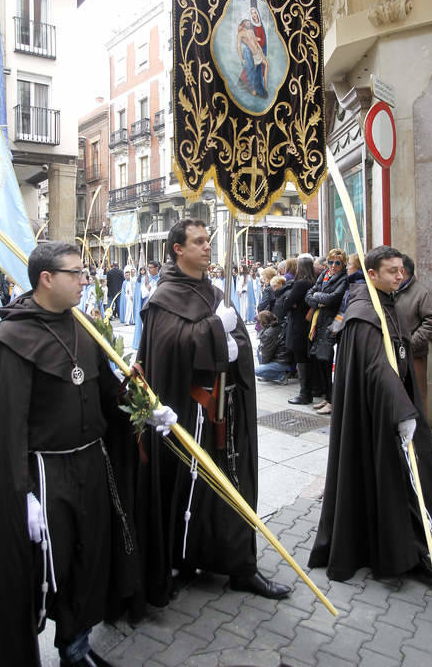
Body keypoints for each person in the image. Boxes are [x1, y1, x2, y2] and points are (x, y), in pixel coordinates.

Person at [0, 241, 152, 667]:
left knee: (86, 557)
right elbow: (5, 430)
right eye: (76, 273)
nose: (84, 280)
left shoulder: (84, 327)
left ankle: (75, 648)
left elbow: (99, 391)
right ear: (47, 278)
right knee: (43, 570)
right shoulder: (10, 340)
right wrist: (20, 492)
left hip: (91, 463)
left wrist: (137, 399)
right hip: (44, 473)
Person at [136, 219, 291, 606]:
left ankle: (240, 565)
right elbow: (167, 350)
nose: (207, 248)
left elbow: (236, 334)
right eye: (199, 242)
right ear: (178, 249)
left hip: (226, 412)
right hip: (189, 413)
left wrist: (233, 342)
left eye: (209, 241)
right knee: (187, 487)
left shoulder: (214, 291)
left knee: (231, 485)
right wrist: (211, 330)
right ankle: (182, 560)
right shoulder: (163, 298)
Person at [308, 246, 432, 582]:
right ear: (373, 274)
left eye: (401, 270)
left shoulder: (383, 301)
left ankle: (421, 542)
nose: (400, 276)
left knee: (406, 476)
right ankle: (415, 553)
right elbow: (377, 366)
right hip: (381, 412)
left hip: (392, 404)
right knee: (396, 478)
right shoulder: (365, 311)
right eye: (392, 271)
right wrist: (401, 410)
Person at [395, 254, 432, 417]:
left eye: (395, 269)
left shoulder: (421, 293)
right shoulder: (391, 289)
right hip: (394, 353)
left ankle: (420, 437)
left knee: (417, 397)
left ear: (403, 270)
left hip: (415, 355)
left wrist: (411, 343)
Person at [305, 249, 348, 415]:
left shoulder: (343, 279)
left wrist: (317, 296)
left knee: (328, 362)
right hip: (320, 322)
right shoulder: (324, 275)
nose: (334, 266)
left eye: (338, 263)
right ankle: (327, 397)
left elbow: (333, 299)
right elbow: (308, 295)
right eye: (331, 262)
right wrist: (319, 297)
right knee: (320, 362)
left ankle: (332, 400)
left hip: (331, 323)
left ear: (343, 264)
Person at [284, 255, 316, 406]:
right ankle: (309, 390)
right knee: (306, 358)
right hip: (308, 325)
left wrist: (291, 303)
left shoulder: (301, 284)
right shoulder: (313, 282)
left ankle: (305, 393)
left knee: (301, 358)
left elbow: (287, 303)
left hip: (298, 325)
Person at [255, 310, 292, 384]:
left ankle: (281, 376)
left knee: (257, 371)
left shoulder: (269, 333)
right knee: (258, 349)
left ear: (263, 322)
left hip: (282, 362)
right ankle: (268, 375)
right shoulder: (278, 325)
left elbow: (266, 356)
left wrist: (263, 358)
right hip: (286, 359)